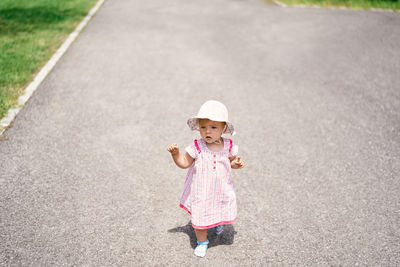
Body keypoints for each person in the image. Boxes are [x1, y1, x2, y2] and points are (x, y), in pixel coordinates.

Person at [167, 100, 245, 257]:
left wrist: (235, 163)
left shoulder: (228, 146)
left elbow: (230, 162)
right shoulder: (197, 146)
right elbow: (184, 163)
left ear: (223, 128)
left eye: (213, 127)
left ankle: (217, 222)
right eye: (203, 127)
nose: (207, 131)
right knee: (200, 217)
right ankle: (202, 242)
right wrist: (176, 154)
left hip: (222, 189)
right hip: (202, 191)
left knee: (221, 208)